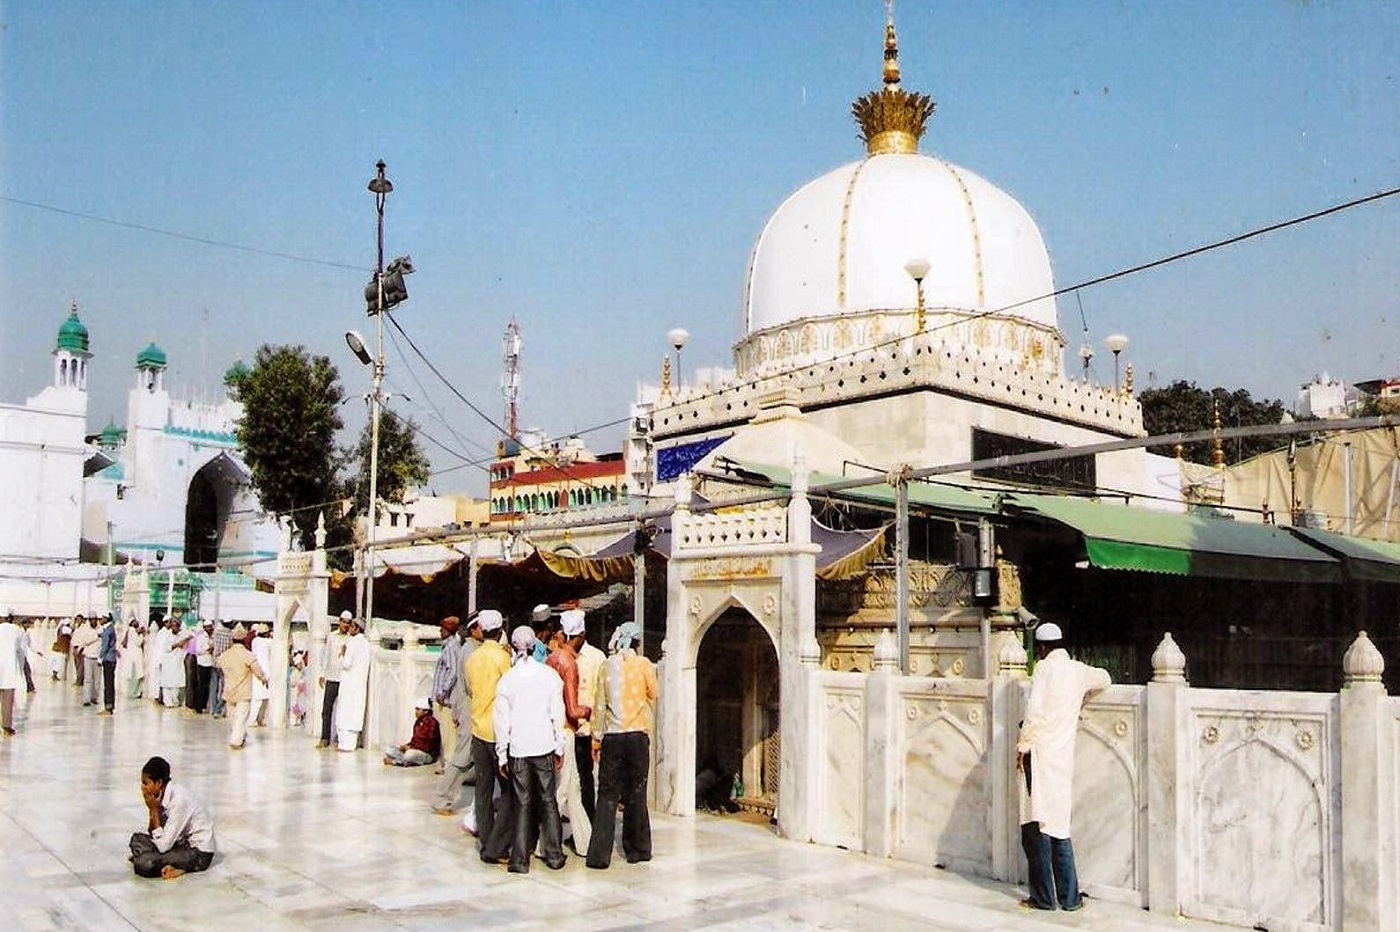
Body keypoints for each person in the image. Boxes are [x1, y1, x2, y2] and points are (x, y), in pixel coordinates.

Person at [1015, 622, 1111, 912]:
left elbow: (1033, 713)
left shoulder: (1044, 669)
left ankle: (1043, 898)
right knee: (1059, 826)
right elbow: (1105, 678)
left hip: (1039, 756)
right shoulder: (1079, 671)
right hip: (1062, 760)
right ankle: (1070, 898)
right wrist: (1082, 698)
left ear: (1042, 648)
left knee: (1035, 827)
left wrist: (1022, 748)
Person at [494, 625, 568, 873]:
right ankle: (555, 855)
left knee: (522, 803)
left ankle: (519, 860)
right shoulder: (549, 676)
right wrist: (559, 747)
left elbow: (502, 723)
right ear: (535, 646)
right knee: (548, 800)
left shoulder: (507, 680)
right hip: (544, 745)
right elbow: (557, 715)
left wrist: (502, 755)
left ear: (513, 647)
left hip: (518, 749)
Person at [586, 621, 658, 869]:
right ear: (637, 642)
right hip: (637, 736)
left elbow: (599, 706)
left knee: (607, 794)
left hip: (613, 737)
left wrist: (596, 739)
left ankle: (598, 856)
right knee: (637, 791)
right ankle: (638, 849)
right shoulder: (644, 664)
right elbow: (654, 693)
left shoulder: (606, 666)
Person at [464, 608, 512, 861]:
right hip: (499, 733)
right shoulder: (503, 659)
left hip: (478, 730)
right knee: (507, 791)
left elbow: (471, 689)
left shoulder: (473, 658)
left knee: (482, 791)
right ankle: (499, 844)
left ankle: (487, 840)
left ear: (481, 630)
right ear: (501, 629)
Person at [546, 608, 593, 855]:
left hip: (552, 730)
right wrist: (590, 711)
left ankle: (586, 843)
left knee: (573, 791)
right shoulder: (569, 663)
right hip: (565, 732)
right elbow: (572, 710)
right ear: (581, 635)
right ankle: (545, 845)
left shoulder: (552, 658)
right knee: (561, 792)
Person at [130, 756, 216, 879]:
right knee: (136, 839)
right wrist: (152, 810)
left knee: (144, 864)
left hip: (197, 853)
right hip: (177, 844)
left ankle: (176, 867)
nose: (142, 788)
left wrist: (154, 810)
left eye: (145, 783)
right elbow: (155, 834)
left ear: (159, 783)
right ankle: (161, 861)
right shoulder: (161, 796)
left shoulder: (178, 801)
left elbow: (163, 846)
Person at [432, 613, 480, 815]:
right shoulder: (468, 651)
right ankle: (442, 798)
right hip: (470, 709)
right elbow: (470, 685)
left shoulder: (471, 649)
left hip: (474, 709)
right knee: (463, 755)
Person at [573, 613, 606, 822]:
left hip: (588, 730)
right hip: (568, 729)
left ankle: (588, 825)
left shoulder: (596, 657)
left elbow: (601, 695)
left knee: (586, 780)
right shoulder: (564, 656)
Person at [216, 623, 267, 749]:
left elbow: (218, 665)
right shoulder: (247, 655)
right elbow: (257, 671)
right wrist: (263, 679)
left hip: (228, 691)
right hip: (243, 693)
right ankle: (236, 741)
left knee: (233, 718)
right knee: (240, 718)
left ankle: (239, 737)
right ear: (244, 640)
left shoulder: (225, 655)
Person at [432, 615, 464, 770]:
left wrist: (443, 692)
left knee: (448, 733)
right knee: (445, 732)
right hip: (443, 698)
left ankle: (449, 764)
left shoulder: (451, 647)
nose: (440, 631)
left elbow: (452, 671)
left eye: (442, 629)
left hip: (446, 699)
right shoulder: (449, 646)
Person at [335, 616, 371, 751]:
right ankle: (350, 744)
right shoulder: (366, 644)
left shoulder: (352, 642)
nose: (349, 628)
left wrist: (342, 654)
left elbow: (346, 664)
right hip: (359, 685)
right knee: (354, 712)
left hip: (349, 684)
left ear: (356, 628)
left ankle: (345, 745)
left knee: (345, 713)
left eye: (351, 626)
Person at [317, 611, 352, 748]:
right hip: (332, 677)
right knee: (326, 709)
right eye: (343, 622)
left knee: (343, 710)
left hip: (345, 679)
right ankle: (324, 738)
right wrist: (322, 674)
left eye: (348, 623)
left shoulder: (351, 639)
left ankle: (340, 738)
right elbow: (326, 656)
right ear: (339, 621)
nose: (345, 625)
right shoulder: (332, 637)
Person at [384, 697, 442, 766]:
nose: (416, 712)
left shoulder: (432, 723)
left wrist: (411, 748)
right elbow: (414, 740)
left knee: (409, 755)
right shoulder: (418, 722)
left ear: (426, 711)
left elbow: (429, 746)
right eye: (416, 709)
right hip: (414, 750)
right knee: (389, 749)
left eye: (418, 709)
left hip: (427, 754)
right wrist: (407, 746)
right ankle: (404, 760)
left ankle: (396, 762)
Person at [0, 611, 24, 736]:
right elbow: (21, 650)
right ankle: (6, 726)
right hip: (9, 669)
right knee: (7, 698)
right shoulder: (16, 630)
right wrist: (20, 669)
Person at [208, 620, 233, 717]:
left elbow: (211, 645)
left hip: (215, 662)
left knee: (214, 687)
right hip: (226, 664)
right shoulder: (231, 635)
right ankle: (219, 709)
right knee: (224, 687)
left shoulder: (216, 633)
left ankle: (212, 708)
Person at [72, 616, 100, 704]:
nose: (93, 621)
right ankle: (86, 699)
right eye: (91, 620)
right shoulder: (86, 630)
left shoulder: (101, 629)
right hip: (88, 656)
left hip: (98, 657)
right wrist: (96, 636)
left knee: (97, 680)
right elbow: (85, 641)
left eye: (95, 619)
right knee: (88, 679)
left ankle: (94, 697)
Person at [249, 624, 272, 727]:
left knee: (259, 698)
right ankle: (256, 719)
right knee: (262, 699)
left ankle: (258, 719)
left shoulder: (255, 641)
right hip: (265, 672)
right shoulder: (268, 642)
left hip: (256, 671)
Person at [191, 619, 215, 713]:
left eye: (210, 627)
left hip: (210, 663)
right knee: (201, 685)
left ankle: (204, 705)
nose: (209, 629)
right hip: (202, 663)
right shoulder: (201, 637)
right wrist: (207, 649)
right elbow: (198, 651)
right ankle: (198, 706)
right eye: (208, 627)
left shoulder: (212, 637)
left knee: (207, 686)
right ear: (204, 628)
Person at [119, 617, 145, 700]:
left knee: (134, 674)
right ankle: (134, 693)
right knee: (135, 675)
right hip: (135, 656)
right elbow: (138, 642)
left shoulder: (131, 631)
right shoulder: (133, 631)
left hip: (132, 656)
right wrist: (141, 635)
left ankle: (135, 692)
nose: (137, 623)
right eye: (135, 622)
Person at [98, 613, 118, 715]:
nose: (100, 620)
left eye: (102, 618)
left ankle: (108, 707)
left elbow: (105, 645)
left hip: (108, 659)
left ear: (106, 619)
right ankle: (110, 706)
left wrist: (100, 657)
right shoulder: (111, 629)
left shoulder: (107, 630)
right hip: (112, 659)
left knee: (108, 684)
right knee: (110, 683)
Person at [50, 615, 74, 682]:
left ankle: (54, 675)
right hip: (61, 649)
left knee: (56, 663)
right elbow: (72, 631)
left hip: (57, 648)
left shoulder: (60, 628)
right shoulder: (64, 628)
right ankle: (55, 676)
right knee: (59, 663)